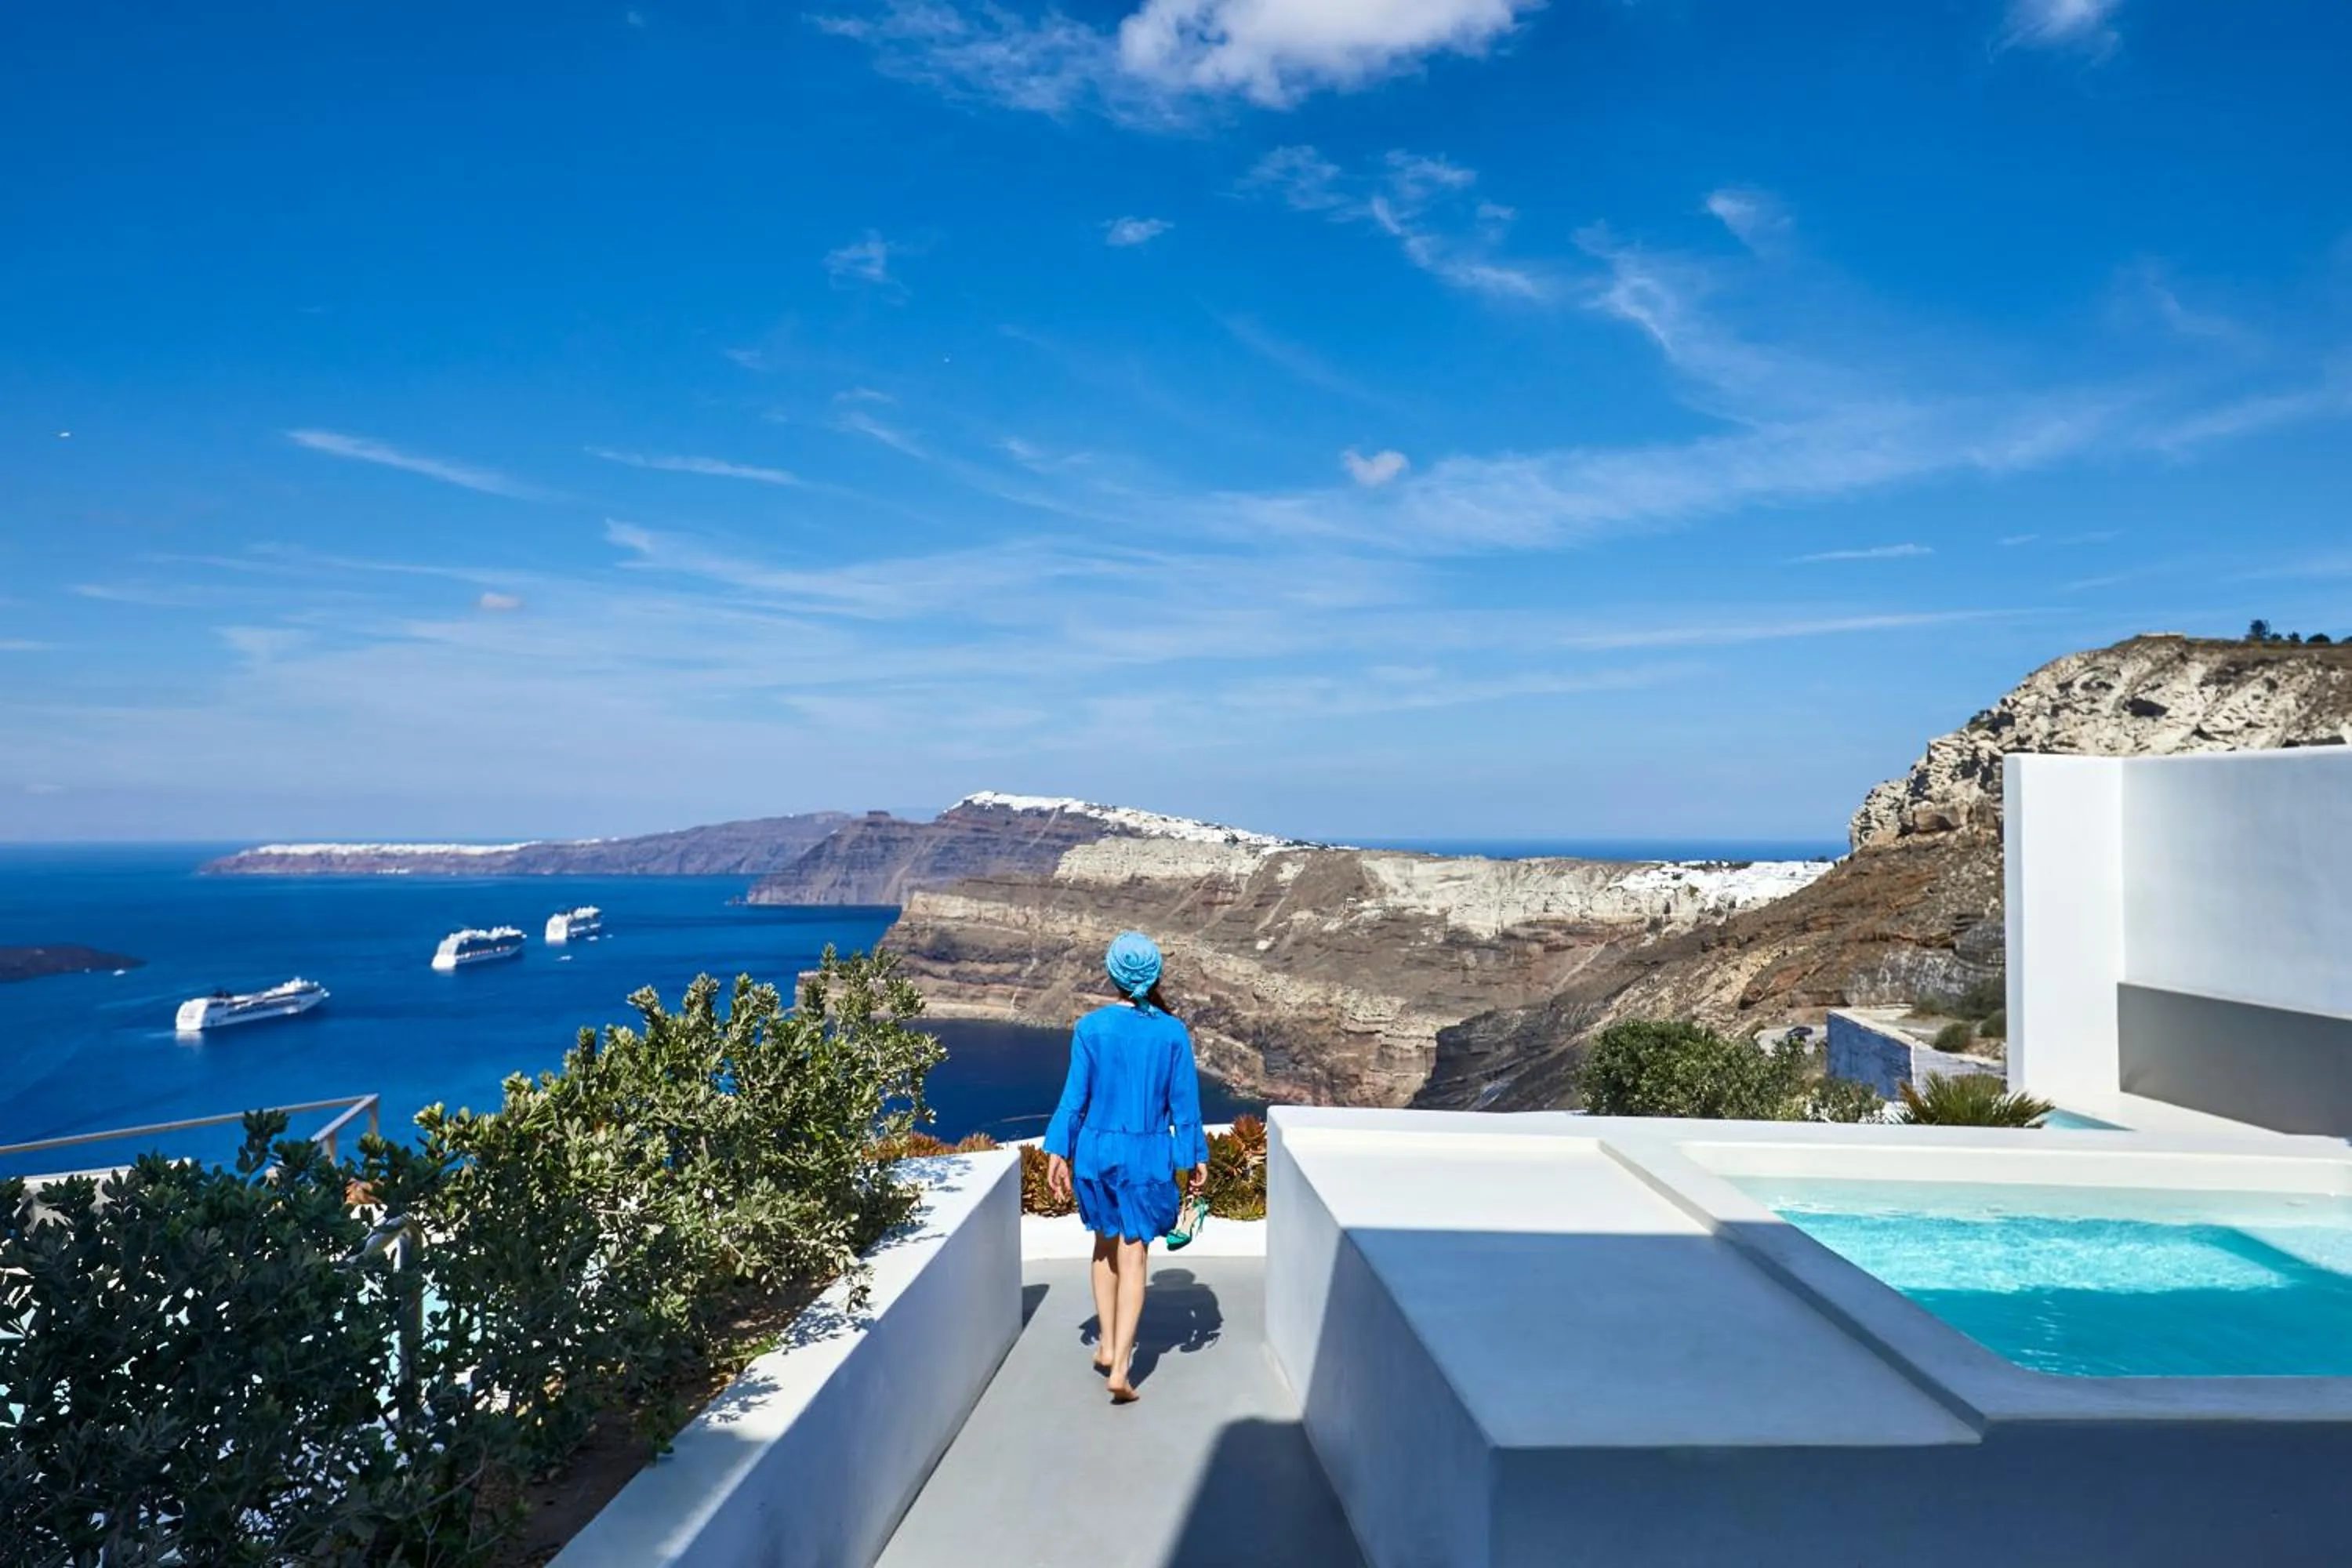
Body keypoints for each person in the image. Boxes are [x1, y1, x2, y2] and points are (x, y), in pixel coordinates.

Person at [1044, 931, 1209, 1405]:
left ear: (1112, 974)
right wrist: (1194, 1157)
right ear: (1154, 975)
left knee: (1103, 1244)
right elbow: (1184, 1106)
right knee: (1135, 1255)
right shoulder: (1172, 1033)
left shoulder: (1090, 1029)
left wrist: (1059, 1150)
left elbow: (1074, 1099)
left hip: (1096, 1152)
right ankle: (1120, 1369)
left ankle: (1108, 1344)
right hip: (1146, 1155)